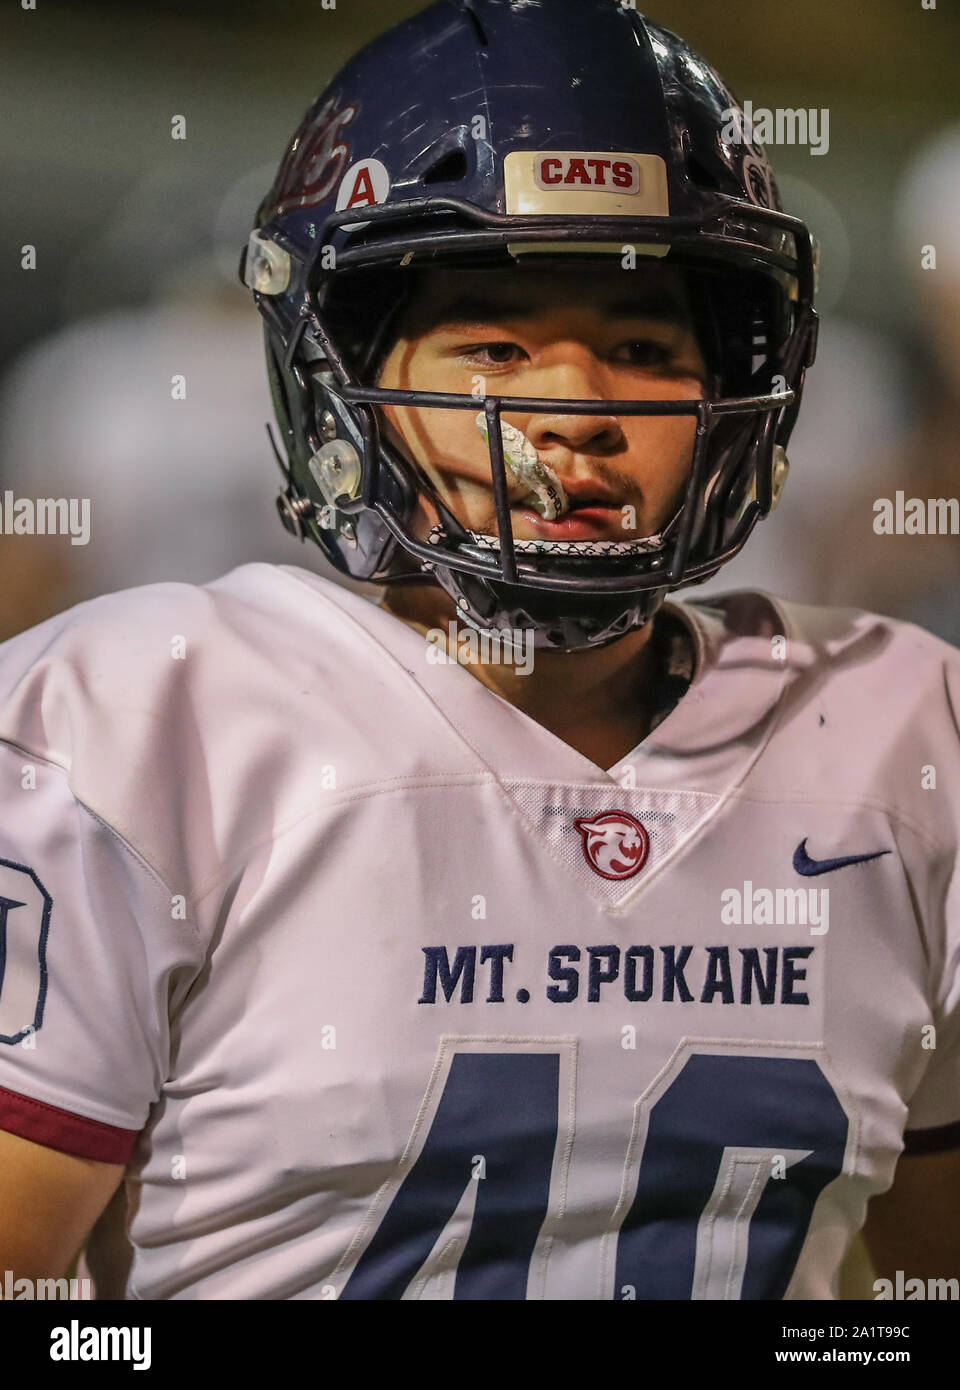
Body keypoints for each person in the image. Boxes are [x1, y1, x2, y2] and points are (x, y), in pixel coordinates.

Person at [0, 0, 957, 1302]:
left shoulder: (904, 729)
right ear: (341, 374)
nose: (576, 414)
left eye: (639, 348)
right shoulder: (140, 725)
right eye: (496, 348)